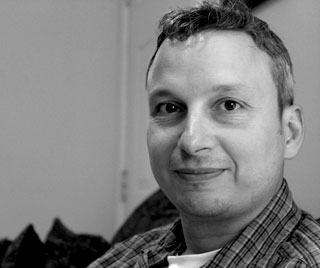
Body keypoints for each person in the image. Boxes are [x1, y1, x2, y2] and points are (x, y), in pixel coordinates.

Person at [88, 0, 320, 267]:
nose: (191, 141)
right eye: (170, 107)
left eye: (229, 105)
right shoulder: (121, 257)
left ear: (290, 133)